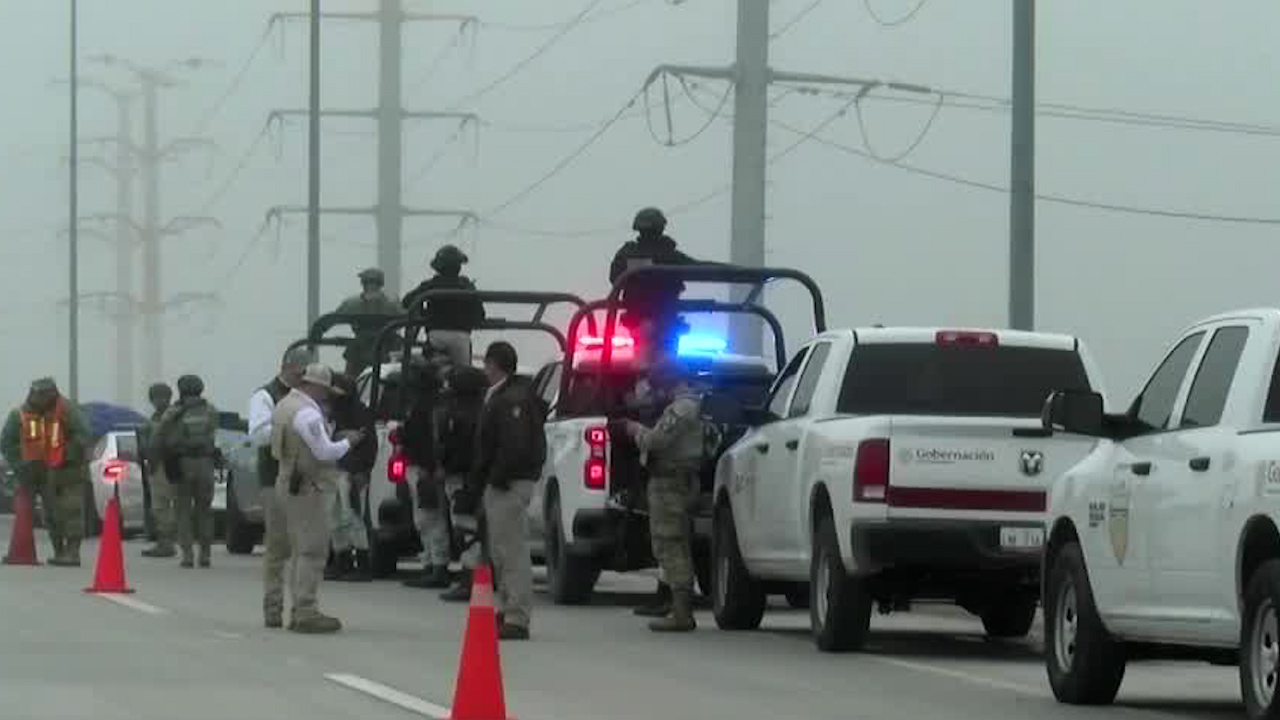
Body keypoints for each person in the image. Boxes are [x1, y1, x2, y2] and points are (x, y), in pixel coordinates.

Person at [264, 363, 361, 634]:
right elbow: (324, 452)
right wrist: (349, 442)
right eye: (326, 391)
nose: (327, 397)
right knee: (312, 550)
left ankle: (278, 608)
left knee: (291, 550)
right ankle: (305, 611)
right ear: (316, 386)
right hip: (309, 487)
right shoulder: (307, 413)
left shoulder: (284, 405)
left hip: (286, 480)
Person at [465, 341, 546, 641]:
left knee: (512, 551)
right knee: (501, 550)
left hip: (508, 483)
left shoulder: (512, 400)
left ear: (494, 364)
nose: (484, 370)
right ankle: (508, 606)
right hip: (504, 482)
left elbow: (514, 445)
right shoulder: (506, 395)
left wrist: (497, 477)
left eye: (487, 364)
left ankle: (517, 616)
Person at [624, 358, 704, 632]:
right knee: (674, 543)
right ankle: (677, 607)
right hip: (678, 480)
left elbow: (656, 441)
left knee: (669, 544)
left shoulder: (682, 408)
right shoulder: (689, 405)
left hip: (670, 482)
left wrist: (635, 430)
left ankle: (682, 612)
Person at [0, 378, 92, 566]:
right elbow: (6, 442)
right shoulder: (20, 414)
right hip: (37, 472)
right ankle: (59, 551)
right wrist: (20, 464)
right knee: (51, 514)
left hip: (68, 470)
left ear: (53, 394)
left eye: (44, 395)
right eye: (37, 395)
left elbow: (84, 435)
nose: (40, 399)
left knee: (72, 510)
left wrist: (67, 454)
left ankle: (72, 552)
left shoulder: (68, 410)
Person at [609, 207, 700, 357]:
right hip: (664, 318)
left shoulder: (627, 254)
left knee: (645, 359)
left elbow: (614, 278)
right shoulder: (670, 256)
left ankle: (647, 368)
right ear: (661, 228)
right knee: (664, 362)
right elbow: (698, 269)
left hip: (640, 319)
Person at [153, 375, 219, 569]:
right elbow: (214, 435)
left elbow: (158, 436)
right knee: (204, 511)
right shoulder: (210, 411)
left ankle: (188, 555)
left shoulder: (174, 411)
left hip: (181, 465)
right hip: (205, 464)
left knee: (182, 511)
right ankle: (205, 555)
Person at [436, 366, 488, 602]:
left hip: (463, 478)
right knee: (469, 528)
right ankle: (472, 578)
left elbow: (457, 448)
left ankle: (470, 580)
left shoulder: (462, 415)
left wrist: (446, 465)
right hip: (468, 476)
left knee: (466, 528)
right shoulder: (481, 410)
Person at [400, 362, 450, 590]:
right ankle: (430, 563)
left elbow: (427, 438)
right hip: (421, 466)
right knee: (425, 518)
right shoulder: (430, 403)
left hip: (424, 468)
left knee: (430, 517)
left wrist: (427, 467)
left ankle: (437, 566)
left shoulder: (426, 405)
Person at [325, 372, 376, 582]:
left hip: (351, 472)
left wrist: (362, 471)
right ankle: (342, 560)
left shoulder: (359, 412)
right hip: (334, 470)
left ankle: (363, 564)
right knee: (334, 518)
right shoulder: (332, 411)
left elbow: (369, 445)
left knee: (353, 517)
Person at [401, 245, 486, 369]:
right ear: (458, 266)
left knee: (429, 370)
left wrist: (423, 312)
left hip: (435, 336)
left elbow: (407, 301)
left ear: (438, 267)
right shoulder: (466, 286)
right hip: (461, 337)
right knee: (465, 374)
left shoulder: (430, 285)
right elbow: (480, 314)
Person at [335, 267, 403, 378]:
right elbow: (406, 318)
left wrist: (315, 336)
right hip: (387, 347)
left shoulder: (351, 303)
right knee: (392, 377)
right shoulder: (392, 303)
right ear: (381, 283)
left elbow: (332, 318)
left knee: (350, 380)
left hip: (359, 349)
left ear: (363, 283)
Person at [140, 382, 177, 558]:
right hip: (161, 465)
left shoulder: (166, 417)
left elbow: (155, 443)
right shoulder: (161, 416)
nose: (157, 401)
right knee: (162, 506)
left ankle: (166, 543)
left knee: (161, 506)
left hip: (163, 465)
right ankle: (166, 542)